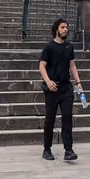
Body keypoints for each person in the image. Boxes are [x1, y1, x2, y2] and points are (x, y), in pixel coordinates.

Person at [38, 18, 83, 162]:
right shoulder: (49, 47)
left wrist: (78, 82)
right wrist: (48, 81)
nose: (66, 30)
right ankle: (47, 149)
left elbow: (72, 65)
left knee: (67, 118)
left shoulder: (69, 47)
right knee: (50, 119)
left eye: (67, 27)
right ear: (56, 29)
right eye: (63, 27)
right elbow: (42, 66)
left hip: (66, 88)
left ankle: (68, 150)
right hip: (52, 88)